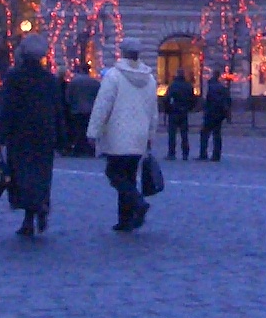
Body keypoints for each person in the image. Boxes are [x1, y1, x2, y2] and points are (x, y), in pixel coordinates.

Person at [0, 35, 65, 238]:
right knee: (42, 175)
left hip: (20, 135)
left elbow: (5, 108)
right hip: (45, 135)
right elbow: (58, 110)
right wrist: (62, 137)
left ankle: (28, 219)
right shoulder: (49, 79)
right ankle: (41, 205)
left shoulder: (14, 77)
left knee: (22, 176)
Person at [86, 42, 160, 232]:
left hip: (118, 134)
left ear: (123, 53)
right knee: (129, 176)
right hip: (139, 136)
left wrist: (93, 132)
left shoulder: (114, 76)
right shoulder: (149, 79)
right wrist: (151, 134)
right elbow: (153, 110)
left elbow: (103, 106)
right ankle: (125, 219)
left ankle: (137, 203)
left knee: (114, 174)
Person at [162, 71, 197, 162]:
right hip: (184, 112)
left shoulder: (173, 85)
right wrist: (189, 108)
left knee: (172, 134)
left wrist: (167, 109)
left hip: (174, 112)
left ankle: (171, 153)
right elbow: (193, 99)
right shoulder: (188, 86)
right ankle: (185, 153)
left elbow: (166, 98)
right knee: (184, 134)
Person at [66, 67, 100, 156]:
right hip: (90, 109)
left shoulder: (74, 82)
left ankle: (78, 149)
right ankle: (89, 149)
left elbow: (68, 96)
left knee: (78, 130)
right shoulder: (94, 82)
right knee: (87, 130)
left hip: (77, 109)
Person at [199, 75, 232, 162]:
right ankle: (216, 155)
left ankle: (203, 154)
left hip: (211, 114)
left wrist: (205, 112)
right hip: (219, 115)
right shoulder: (223, 88)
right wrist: (227, 115)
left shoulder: (211, 89)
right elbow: (228, 101)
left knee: (204, 133)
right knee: (217, 135)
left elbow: (208, 103)